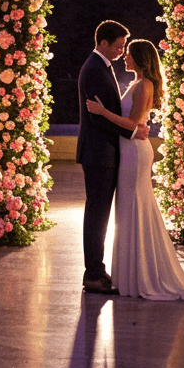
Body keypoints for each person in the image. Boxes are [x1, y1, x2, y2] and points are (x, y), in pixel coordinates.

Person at [87, 39, 184, 303]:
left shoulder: (144, 85)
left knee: (135, 208)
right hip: (130, 151)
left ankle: (142, 275)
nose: (124, 58)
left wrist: (102, 112)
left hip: (135, 153)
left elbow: (131, 123)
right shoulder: (138, 83)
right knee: (130, 209)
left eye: (128, 55)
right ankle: (133, 274)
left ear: (139, 58)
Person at [76, 19, 149, 294]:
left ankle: (96, 270)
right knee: (97, 214)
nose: (121, 51)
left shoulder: (101, 67)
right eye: (118, 46)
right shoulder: (95, 69)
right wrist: (133, 134)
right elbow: (98, 120)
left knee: (101, 214)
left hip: (103, 151)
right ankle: (93, 274)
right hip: (98, 152)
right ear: (103, 43)